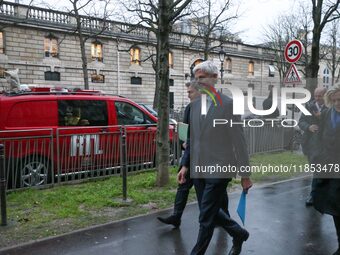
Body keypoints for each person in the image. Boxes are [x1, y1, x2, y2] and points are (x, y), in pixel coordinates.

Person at [178, 61, 252, 255]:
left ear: (214, 78)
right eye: (197, 78)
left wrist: (245, 174)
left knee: (205, 216)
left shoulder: (228, 104)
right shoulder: (194, 105)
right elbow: (192, 138)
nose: (198, 81)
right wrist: (185, 165)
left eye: (202, 77)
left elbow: (239, 141)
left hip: (221, 167)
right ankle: (239, 233)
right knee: (209, 209)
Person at [157, 81, 200, 227]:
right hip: (191, 154)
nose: (188, 95)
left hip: (204, 158)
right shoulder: (189, 108)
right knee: (183, 185)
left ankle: (225, 220)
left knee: (212, 193)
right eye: (187, 92)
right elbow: (185, 128)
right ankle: (176, 216)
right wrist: (183, 140)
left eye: (190, 92)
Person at [313, 85, 340, 255]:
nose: (338, 103)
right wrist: (317, 157)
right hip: (328, 168)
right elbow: (318, 138)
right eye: (335, 100)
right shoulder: (325, 114)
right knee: (335, 209)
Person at [298, 87, 327, 206]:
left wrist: (322, 118)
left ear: (325, 96)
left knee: (318, 170)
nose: (318, 98)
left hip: (325, 145)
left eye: (320, 96)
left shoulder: (331, 107)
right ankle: (319, 193)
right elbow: (301, 122)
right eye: (316, 96)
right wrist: (308, 127)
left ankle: (314, 195)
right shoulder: (309, 106)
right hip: (310, 144)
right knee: (316, 169)